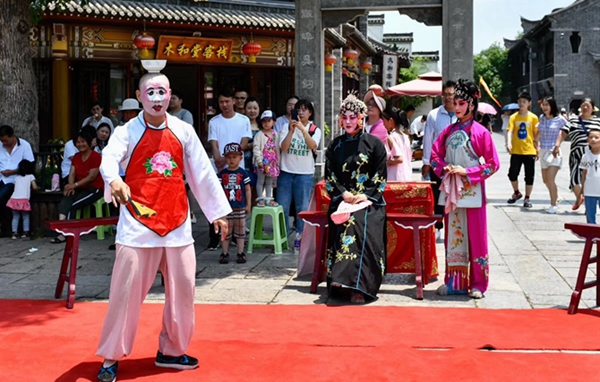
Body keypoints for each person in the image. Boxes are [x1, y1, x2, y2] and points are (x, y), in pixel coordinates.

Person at [95, 66, 230, 382]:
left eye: (162, 92)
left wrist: (218, 213)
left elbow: (202, 173)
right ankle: (111, 357)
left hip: (177, 222)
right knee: (124, 293)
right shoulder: (126, 131)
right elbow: (109, 159)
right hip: (137, 223)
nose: (156, 98)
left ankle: (172, 350)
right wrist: (114, 179)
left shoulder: (184, 131)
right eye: (150, 92)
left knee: (183, 290)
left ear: (170, 97)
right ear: (140, 97)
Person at [430, 79, 500, 299]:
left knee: (476, 237)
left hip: (472, 190)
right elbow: (434, 156)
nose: (457, 107)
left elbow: (493, 163)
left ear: (471, 105)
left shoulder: (480, 132)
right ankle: (455, 282)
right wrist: (445, 168)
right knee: (454, 237)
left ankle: (479, 283)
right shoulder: (447, 131)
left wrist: (467, 172)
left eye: (461, 103)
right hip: (452, 190)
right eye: (455, 103)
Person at [325, 92, 387, 304]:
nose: (348, 121)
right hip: (343, 199)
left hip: (368, 200)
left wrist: (364, 195)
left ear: (362, 118)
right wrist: (344, 193)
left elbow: (380, 177)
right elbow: (330, 176)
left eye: (353, 117)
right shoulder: (335, 145)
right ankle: (340, 281)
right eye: (345, 117)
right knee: (342, 219)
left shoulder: (375, 144)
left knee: (357, 222)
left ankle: (359, 286)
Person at [207, 88, 252, 250]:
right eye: (221, 102)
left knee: (237, 202)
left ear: (234, 101)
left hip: (238, 167)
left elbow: (245, 141)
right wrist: (220, 159)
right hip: (220, 168)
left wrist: (232, 159)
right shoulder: (214, 121)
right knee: (216, 199)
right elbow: (213, 142)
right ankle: (214, 236)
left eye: (227, 101)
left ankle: (235, 236)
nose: (224, 105)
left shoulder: (243, 120)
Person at [277, 99, 321, 253]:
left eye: (304, 110)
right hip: (286, 172)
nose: (301, 113)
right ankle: (281, 237)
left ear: (310, 113)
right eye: (298, 109)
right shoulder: (285, 127)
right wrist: (291, 130)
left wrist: (303, 130)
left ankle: (300, 238)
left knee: (301, 207)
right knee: (282, 206)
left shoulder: (315, 129)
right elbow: (284, 147)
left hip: (304, 174)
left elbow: (312, 146)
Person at [51, 127, 104, 243]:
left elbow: (92, 177)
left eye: (83, 141)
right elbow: (72, 173)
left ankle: (67, 233)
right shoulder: (76, 156)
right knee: (67, 198)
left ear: (89, 142)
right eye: (78, 142)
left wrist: (73, 185)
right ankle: (61, 230)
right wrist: (70, 186)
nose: (80, 144)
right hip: (79, 187)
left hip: (94, 189)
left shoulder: (96, 157)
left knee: (73, 204)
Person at [422, 80, 457, 240]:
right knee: (437, 196)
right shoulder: (434, 115)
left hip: (457, 164)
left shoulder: (461, 113)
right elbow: (428, 139)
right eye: (446, 95)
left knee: (455, 195)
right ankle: (437, 227)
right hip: (438, 164)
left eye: (451, 94)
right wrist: (426, 162)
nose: (448, 98)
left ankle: (455, 227)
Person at [555, 98, 600, 210]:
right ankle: (579, 197)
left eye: (588, 106)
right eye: (583, 105)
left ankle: (588, 204)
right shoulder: (573, 120)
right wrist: (557, 145)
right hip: (576, 153)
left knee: (591, 177)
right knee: (574, 178)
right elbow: (563, 133)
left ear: (593, 109)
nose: (585, 108)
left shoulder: (598, 122)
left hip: (594, 153)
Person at [218, 142, 251, 264]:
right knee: (226, 231)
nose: (231, 160)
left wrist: (248, 204)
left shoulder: (243, 173)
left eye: (234, 157)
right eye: (228, 157)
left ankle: (240, 252)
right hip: (226, 209)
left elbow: (247, 189)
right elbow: (219, 191)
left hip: (239, 206)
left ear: (240, 158)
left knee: (240, 231)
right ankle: (225, 252)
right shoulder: (222, 174)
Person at [0, 125, 35, 236]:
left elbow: (29, 166)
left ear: (12, 136)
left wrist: (13, 171)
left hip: (15, 179)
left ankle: (7, 228)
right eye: (2, 141)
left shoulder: (24, 146)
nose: (4, 144)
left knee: (2, 195)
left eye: (6, 140)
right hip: (1, 177)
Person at [506, 91, 539, 208]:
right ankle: (517, 193)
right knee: (512, 174)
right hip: (516, 151)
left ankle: (527, 198)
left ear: (529, 103)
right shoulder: (513, 117)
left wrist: (537, 147)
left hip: (529, 150)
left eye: (524, 102)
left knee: (529, 176)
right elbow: (510, 131)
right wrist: (509, 143)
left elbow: (536, 134)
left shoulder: (533, 118)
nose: (521, 104)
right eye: (519, 101)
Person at [535, 97, 567, 214]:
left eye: (547, 105)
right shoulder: (542, 118)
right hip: (543, 151)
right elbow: (539, 131)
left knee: (550, 178)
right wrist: (535, 143)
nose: (544, 107)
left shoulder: (560, 119)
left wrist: (558, 144)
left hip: (554, 152)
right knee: (545, 180)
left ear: (552, 106)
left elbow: (565, 131)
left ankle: (553, 204)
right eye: (543, 105)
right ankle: (556, 196)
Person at [253, 110, 280, 205]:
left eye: (269, 121)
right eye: (264, 121)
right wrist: (259, 160)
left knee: (269, 182)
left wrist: (278, 161)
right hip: (262, 162)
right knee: (260, 181)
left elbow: (278, 148)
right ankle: (260, 199)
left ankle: (269, 199)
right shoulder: (259, 135)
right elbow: (256, 148)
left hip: (272, 163)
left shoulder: (276, 134)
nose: (266, 123)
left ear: (274, 122)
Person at [6, 160, 37, 239]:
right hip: (24, 199)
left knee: (15, 216)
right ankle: (26, 232)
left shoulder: (16, 178)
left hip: (14, 199)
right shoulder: (30, 176)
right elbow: (35, 187)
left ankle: (14, 233)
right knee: (25, 216)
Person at [382, 105, 412, 181]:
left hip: (394, 178)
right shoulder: (405, 137)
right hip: (406, 176)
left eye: (384, 121)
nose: (383, 124)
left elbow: (399, 159)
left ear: (391, 121)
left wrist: (382, 163)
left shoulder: (391, 137)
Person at [580, 129, 600, 224]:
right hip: (590, 190)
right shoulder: (586, 156)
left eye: (596, 137)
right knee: (590, 214)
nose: (593, 139)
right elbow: (584, 173)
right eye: (591, 137)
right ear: (587, 140)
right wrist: (582, 189)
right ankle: (592, 234)